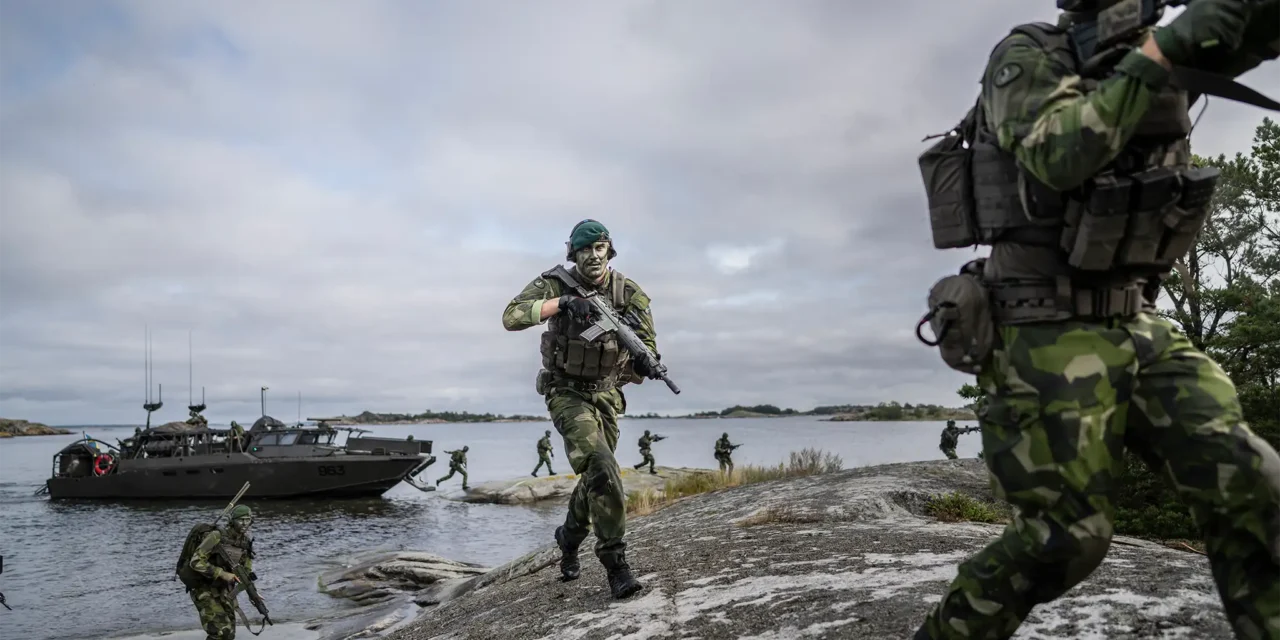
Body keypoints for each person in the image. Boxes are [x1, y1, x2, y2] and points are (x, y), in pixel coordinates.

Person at [913, 3, 1280, 637]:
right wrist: (1159, 58)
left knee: (1254, 484)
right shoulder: (1028, 55)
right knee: (1064, 538)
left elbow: (1247, 30)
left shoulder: (1147, 49)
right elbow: (1058, 156)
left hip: (1139, 318)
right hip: (1040, 324)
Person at [501, 219, 661, 599]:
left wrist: (646, 361)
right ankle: (616, 565)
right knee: (603, 467)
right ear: (574, 254)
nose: (593, 256)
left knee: (596, 476)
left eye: (600, 248)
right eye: (585, 250)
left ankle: (569, 537)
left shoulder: (628, 292)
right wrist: (565, 303)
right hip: (566, 393)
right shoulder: (556, 283)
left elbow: (649, 343)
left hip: (607, 395)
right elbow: (511, 316)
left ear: (610, 250)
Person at [184, 505, 255, 640]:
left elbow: (245, 571)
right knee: (220, 633)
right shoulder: (216, 536)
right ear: (232, 521)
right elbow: (195, 561)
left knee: (230, 634)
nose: (245, 524)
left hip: (224, 590)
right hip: (204, 588)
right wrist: (222, 573)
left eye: (248, 520)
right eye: (241, 520)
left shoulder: (245, 542)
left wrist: (253, 592)